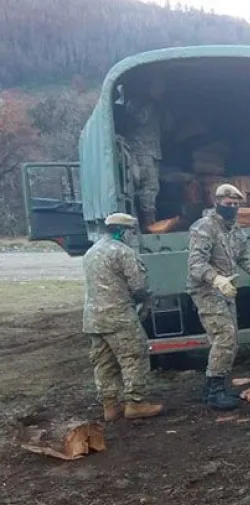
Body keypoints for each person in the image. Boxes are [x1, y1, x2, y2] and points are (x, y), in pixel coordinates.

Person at [187, 184, 250, 411]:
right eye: (228, 204)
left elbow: (245, 255)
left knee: (229, 340)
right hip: (207, 290)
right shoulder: (204, 227)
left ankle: (214, 387)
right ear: (217, 203)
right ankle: (215, 391)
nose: (232, 208)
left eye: (235, 205)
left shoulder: (235, 230)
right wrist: (216, 279)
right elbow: (195, 264)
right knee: (224, 337)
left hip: (226, 290)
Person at [82, 213, 163, 421]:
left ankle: (110, 406)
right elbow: (138, 286)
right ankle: (136, 403)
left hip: (93, 318)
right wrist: (145, 298)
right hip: (119, 316)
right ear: (125, 231)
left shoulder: (91, 252)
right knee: (134, 357)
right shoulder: (123, 252)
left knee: (104, 362)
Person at [121, 80, 164, 231]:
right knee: (147, 190)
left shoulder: (153, 106)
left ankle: (150, 224)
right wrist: (152, 101)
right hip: (141, 153)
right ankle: (149, 226)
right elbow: (141, 118)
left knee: (152, 189)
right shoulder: (136, 103)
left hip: (151, 153)